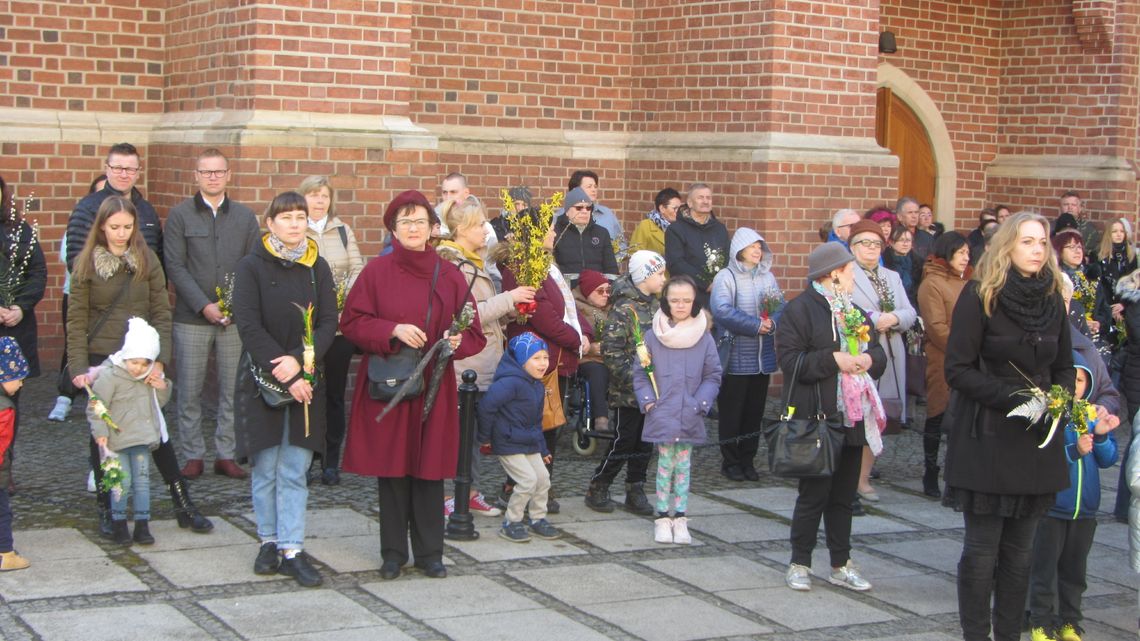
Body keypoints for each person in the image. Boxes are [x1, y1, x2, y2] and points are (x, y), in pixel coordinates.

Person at [340, 190, 485, 581]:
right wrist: (392, 329)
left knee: (429, 470)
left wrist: (456, 342)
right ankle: (392, 553)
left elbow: (473, 332)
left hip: (435, 386)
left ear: (432, 228)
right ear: (393, 229)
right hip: (391, 384)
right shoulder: (375, 273)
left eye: (420, 221)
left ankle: (430, 553)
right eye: (405, 222)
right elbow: (352, 324)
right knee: (392, 471)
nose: (413, 228)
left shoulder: (450, 275)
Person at [942, 211, 1073, 641]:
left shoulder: (1053, 297)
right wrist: (1016, 399)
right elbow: (958, 370)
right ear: (1007, 247)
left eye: (1042, 242)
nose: (1038, 250)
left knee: (1020, 554)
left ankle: (1010, 635)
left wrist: (1060, 400)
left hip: (1036, 440)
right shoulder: (980, 294)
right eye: (1028, 242)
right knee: (983, 552)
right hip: (988, 435)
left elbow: (1063, 365)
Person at [69, 196, 212, 537]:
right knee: (104, 438)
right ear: (102, 226)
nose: (121, 233)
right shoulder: (87, 263)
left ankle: (183, 504)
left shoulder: (146, 260)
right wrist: (78, 365)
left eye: (127, 227)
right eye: (114, 227)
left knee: (157, 434)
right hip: (104, 360)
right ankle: (109, 509)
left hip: (141, 358)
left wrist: (159, 361)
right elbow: (76, 320)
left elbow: (162, 310)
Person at [232, 191, 338, 588]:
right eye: (286, 217)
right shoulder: (250, 267)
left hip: (307, 381)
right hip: (265, 380)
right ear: (270, 223)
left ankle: (292, 548)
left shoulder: (317, 267)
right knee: (265, 468)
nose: (295, 224)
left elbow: (328, 322)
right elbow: (248, 325)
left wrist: (302, 365)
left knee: (294, 468)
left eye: (300, 216)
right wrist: (285, 371)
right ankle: (268, 540)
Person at [776, 243, 887, 593]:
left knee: (843, 497)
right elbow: (792, 363)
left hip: (853, 417)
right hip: (818, 417)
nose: (854, 277)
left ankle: (841, 562)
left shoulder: (854, 311)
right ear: (834, 273)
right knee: (814, 495)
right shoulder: (799, 310)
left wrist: (869, 361)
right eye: (851, 271)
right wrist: (833, 360)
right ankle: (799, 562)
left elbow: (879, 352)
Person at [165, 149, 261, 481]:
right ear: (196, 176)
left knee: (232, 390)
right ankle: (192, 454)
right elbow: (175, 266)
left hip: (233, 320)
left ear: (228, 175)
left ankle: (226, 453)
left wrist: (233, 306)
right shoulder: (179, 216)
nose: (213, 177)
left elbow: (253, 265)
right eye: (206, 172)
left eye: (219, 172)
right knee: (188, 389)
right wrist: (204, 305)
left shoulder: (246, 218)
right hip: (191, 318)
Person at [437, 196, 534, 517]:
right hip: (467, 364)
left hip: (486, 360)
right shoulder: (454, 265)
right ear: (462, 230)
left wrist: (509, 314)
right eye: (479, 225)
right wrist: (509, 298)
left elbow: (485, 315)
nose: (485, 230)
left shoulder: (475, 262)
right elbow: (465, 316)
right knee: (460, 435)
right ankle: (452, 494)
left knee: (475, 433)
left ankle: (471, 491)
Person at [498, 205, 591, 514]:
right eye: (549, 228)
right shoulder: (524, 265)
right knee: (534, 426)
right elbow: (542, 314)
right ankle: (520, 489)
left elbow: (567, 305)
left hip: (558, 357)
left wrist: (585, 332)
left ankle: (542, 488)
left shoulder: (545, 262)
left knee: (550, 427)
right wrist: (576, 340)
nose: (554, 233)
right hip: (539, 359)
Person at [1027, 352, 1118, 641]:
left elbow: (1107, 459)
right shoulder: (1051, 414)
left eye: (1081, 380)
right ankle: (1041, 621)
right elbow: (1042, 456)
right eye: (1071, 378)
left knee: (1075, 573)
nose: (1075, 385)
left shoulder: (1092, 414)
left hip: (1084, 512)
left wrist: (1102, 437)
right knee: (1045, 571)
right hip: (1054, 508)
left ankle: (1070, 621)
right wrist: (1073, 451)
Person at [635, 275, 721, 545]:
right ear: (666, 302)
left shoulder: (704, 337)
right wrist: (648, 400)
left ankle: (680, 517)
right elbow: (640, 372)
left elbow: (713, 375)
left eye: (686, 300)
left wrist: (701, 403)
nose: (681, 305)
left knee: (683, 465)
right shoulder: (653, 334)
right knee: (663, 466)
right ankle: (662, 517)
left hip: (690, 411)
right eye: (675, 300)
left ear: (695, 303)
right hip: (662, 410)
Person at [584, 251, 667, 514]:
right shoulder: (623, 310)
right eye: (659, 274)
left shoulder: (655, 306)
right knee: (625, 440)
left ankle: (636, 487)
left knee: (646, 442)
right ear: (644, 277)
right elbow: (612, 351)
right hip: (629, 391)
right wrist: (635, 381)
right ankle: (600, 484)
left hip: (654, 391)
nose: (664, 279)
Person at [299, 175, 364, 486]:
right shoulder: (296, 229)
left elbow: (357, 269)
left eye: (324, 195)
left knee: (335, 395)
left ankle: (331, 461)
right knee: (307, 393)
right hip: (306, 328)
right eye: (313, 195)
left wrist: (340, 303)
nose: (319, 201)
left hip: (338, 328)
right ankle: (305, 459)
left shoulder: (342, 230)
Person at [87, 318, 171, 547]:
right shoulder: (110, 377)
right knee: (120, 483)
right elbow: (97, 406)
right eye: (134, 362)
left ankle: (143, 524)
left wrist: (162, 387)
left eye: (145, 364)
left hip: (142, 439)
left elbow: (158, 404)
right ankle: (119, 523)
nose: (139, 369)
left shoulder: (148, 378)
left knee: (142, 483)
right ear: (126, 357)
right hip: (117, 441)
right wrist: (100, 431)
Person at [849, 219, 916, 501]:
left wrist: (895, 318)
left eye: (877, 244)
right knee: (860, 416)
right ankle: (851, 478)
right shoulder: (846, 273)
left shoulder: (892, 276)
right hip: (862, 351)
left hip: (891, 349)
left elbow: (909, 312)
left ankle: (864, 477)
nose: (872, 249)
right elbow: (847, 310)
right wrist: (876, 319)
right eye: (865, 243)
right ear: (852, 247)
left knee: (879, 417)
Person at [710, 228, 781, 482]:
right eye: (752, 246)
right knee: (732, 413)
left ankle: (748, 460)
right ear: (739, 248)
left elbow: (779, 305)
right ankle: (730, 462)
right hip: (736, 357)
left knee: (754, 413)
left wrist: (772, 323)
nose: (757, 251)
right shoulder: (726, 276)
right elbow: (721, 309)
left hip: (762, 359)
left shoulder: (768, 277)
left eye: (760, 247)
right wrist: (754, 325)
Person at [477, 333, 561, 543]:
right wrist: (485, 437)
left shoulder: (538, 385)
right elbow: (487, 407)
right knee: (527, 481)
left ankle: (537, 519)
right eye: (536, 358)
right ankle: (511, 522)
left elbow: (536, 422)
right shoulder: (509, 383)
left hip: (528, 442)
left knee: (543, 479)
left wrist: (542, 449)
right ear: (522, 360)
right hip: (507, 441)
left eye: (545, 357)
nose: (543, 363)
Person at [916, 231, 972, 498]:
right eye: (960, 253)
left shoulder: (966, 283)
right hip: (943, 358)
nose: (965, 258)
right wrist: (966, 346)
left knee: (961, 418)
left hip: (967, 359)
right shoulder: (932, 284)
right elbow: (936, 327)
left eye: (967, 253)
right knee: (938, 414)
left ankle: (956, 474)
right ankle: (930, 471)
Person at [0, 175, 46, 493]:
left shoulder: (19, 230)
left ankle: (5, 467)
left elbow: (37, 271)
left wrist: (20, 306)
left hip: (15, 329)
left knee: (9, 406)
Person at [49, 175, 105, 425]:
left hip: (108, 301)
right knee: (74, 345)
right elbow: (66, 255)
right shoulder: (80, 222)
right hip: (76, 294)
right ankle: (66, 395)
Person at [66, 143, 163, 271]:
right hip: (102, 288)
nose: (124, 175)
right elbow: (76, 260)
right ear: (107, 169)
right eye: (117, 168)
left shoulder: (147, 210)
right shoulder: (88, 208)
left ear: (138, 172)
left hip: (142, 288)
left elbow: (159, 259)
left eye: (130, 169)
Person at [664, 183, 729, 309]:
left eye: (708, 198)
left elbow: (727, 257)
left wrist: (720, 282)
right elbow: (676, 263)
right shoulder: (676, 230)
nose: (705, 201)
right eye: (700, 198)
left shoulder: (720, 229)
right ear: (690, 203)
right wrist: (705, 283)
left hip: (719, 295)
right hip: (688, 296)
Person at [572, 269, 614, 434]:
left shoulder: (612, 307)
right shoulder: (575, 307)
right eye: (600, 291)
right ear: (588, 292)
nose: (605, 295)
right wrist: (591, 348)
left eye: (608, 290)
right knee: (596, 372)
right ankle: (601, 418)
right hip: (586, 358)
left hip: (610, 357)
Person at [0, 336, 29, 571]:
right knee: (3, 514)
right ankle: (6, 554)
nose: (21, 384)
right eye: (18, 378)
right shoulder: (5, 408)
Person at [552, 186, 618, 284]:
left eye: (588, 208)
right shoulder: (555, 233)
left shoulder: (601, 233)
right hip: (567, 291)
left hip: (598, 290)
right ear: (567, 211)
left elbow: (611, 269)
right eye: (579, 208)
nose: (584, 211)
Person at [1093, 218, 1136, 347]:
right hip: (1105, 305)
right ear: (1108, 234)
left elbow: (1134, 284)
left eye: (1122, 231)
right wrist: (1109, 308)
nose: (1118, 234)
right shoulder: (1098, 255)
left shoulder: (1131, 256)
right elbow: (1098, 285)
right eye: (1114, 231)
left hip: (1125, 306)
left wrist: (1123, 304)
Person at [567, 170, 624, 250]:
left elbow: (621, 245)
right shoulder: (562, 216)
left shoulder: (607, 214)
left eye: (595, 186)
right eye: (589, 186)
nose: (594, 190)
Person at [630, 188, 681, 258]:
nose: (679, 212)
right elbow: (634, 255)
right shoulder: (645, 226)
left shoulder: (681, 228)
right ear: (662, 208)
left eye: (680, 208)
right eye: (675, 208)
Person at [882, 225, 922, 310]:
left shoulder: (919, 262)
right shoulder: (884, 261)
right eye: (901, 240)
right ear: (891, 242)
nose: (905, 244)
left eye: (908, 240)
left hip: (914, 305)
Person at [1059, 191, 1101, 259]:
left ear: (1080, 209)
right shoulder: (1051, 227)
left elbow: (1093, 252)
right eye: (1066, 204)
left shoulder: (1089, 230)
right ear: (1060, 207)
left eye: (1073, 205)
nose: (1070, 207)